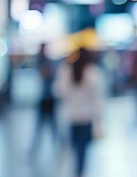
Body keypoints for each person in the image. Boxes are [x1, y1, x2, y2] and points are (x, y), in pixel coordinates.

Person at [54, 48, 104, 177]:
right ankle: (80, 171)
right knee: (82, 149)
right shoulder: (92, 72)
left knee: (76, 146)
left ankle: (77, 170)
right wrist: (99, 119)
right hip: (86, 117)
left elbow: (60, 91)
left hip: (71, 116)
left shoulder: (66, 71)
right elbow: (96, 99)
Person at [30, 44, 59, 153]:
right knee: (39, 125)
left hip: (49, 97)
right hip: (42, 97)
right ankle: (34, 147)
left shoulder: (48, 61)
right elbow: (41, 74)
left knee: (53, 124)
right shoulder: (40, 61)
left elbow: (49, 73)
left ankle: (61, 145)